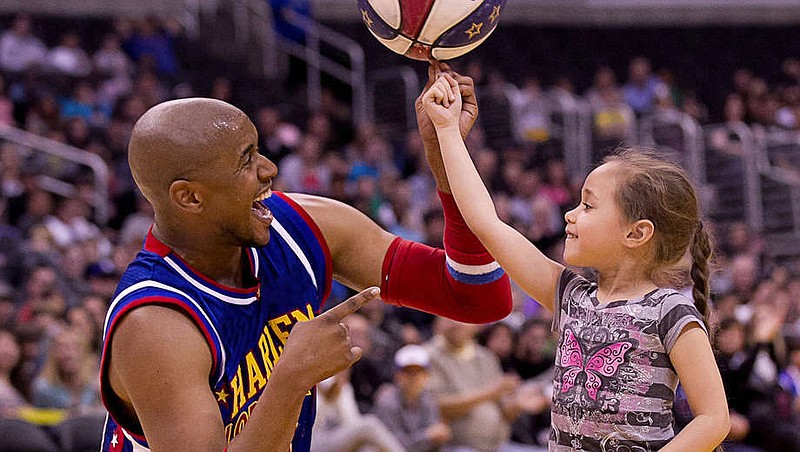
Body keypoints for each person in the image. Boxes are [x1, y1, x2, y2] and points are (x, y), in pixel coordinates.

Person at [99, 65, 512, 451]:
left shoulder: (302, 226)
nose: (269, 168)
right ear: (190, 197)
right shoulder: (154, 323)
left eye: (259, 150)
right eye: (246, 160)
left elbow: (477, 298)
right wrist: (291, 379)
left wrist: (447, 157)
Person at [422, 73, 730, 451]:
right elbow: (486, 224)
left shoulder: (670, 311)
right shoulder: (571, 296)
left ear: (637, 233)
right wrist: (448, 130)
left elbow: (714, 418)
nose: (569, 214)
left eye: (588, 205)